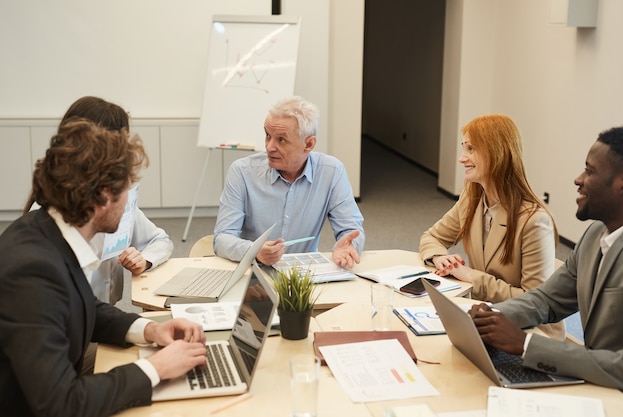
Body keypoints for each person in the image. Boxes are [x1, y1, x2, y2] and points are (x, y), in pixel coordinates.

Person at [0, 120, 207, 416]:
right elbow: (61, 404)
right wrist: (154, 368)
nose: (129, 203)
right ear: (103, 196)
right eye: (127, 190)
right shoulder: (32, 273)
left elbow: (81, 306)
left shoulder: (47, 229)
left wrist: (150, 329)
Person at [469, 125, 623, 391]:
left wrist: (525, 344)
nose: (578, 179)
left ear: (622, 183)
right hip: (596, 384)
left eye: (590, 171)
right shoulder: (594, 235)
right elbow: (548, 299)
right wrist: (493, 317)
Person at [419, 114, 563, 339]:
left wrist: (470, 276)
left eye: (470, 149)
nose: (461, 158)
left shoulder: (535, 221)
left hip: (527, 333)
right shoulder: (472, 198)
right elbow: (432, 237)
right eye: (463, 148)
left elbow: (535, 303)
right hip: (485, 315)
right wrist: (439, 257)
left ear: (496, 153)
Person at [23, 96, 173, 305]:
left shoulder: (114, 202)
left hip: (99, 316)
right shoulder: (44, 227)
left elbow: (160, 240)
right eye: (119, 147)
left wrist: (144, 260)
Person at [213, 96, 365, 268]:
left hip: (303, 278)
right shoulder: (242, 172)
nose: (269, 146)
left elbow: (351, 230)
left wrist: (347, 248)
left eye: (281, 140)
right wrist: (255, 251)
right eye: (268, 136)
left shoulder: (331, 172)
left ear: (308, 144)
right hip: (254, 273)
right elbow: (222, 238)